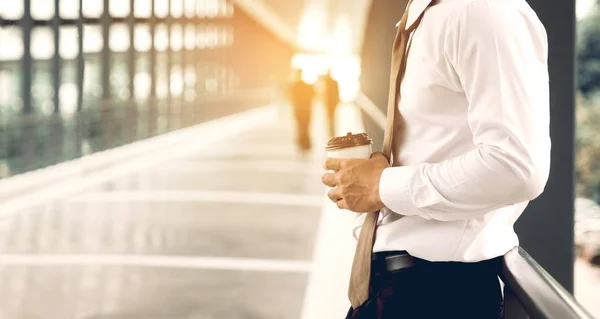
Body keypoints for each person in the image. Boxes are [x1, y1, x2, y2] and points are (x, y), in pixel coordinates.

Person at [321, 0, 550, 318]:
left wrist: (382, 185)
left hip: (435, 294)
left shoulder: (481, 10)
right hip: (398, 288)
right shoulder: (429, 15)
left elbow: (516, 166)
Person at [289, 69, 315, 153]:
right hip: (306, 110)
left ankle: (302, 145)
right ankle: (306, 145)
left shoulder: (294, 86)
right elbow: (313, 96)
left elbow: (291, 98)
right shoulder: (307, 86)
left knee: (301, 128)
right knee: (305, 128)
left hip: (299, 110)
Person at [323, 70, 340, 138]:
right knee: (331, 118)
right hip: (331, 102)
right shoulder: (332, 82)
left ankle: (331, 132)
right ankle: (332, 132)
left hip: (330, 103)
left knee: (330, 118)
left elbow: (324, 93)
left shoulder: (327, 82)